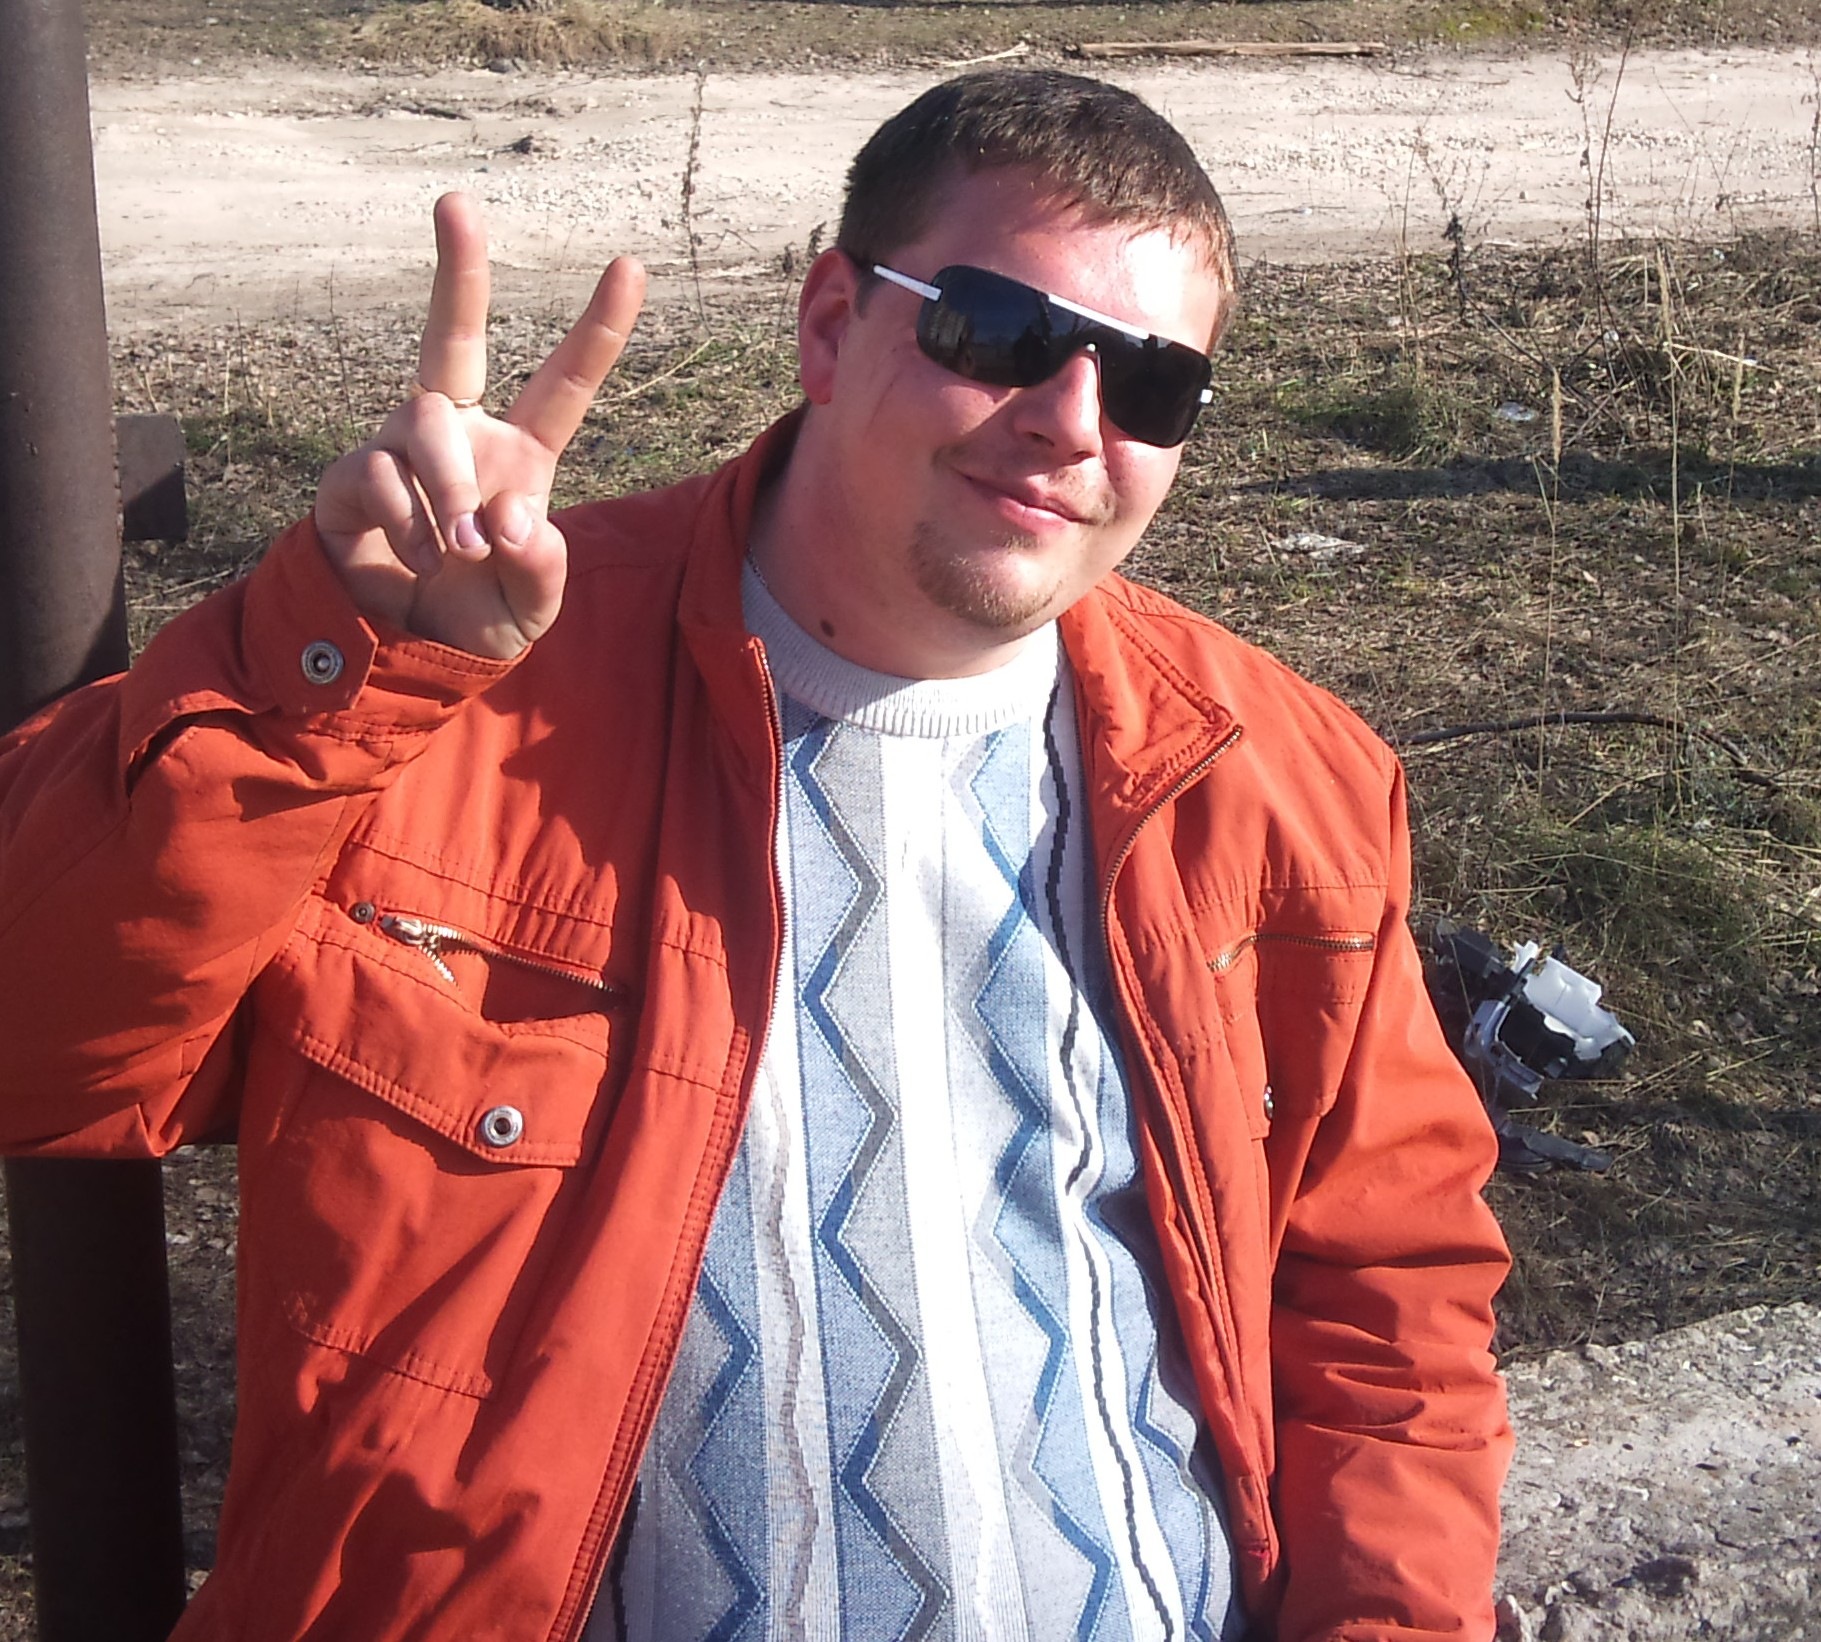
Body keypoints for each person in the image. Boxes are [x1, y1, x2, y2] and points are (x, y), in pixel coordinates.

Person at [0, 70, 1511, 1642]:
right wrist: (338, 668)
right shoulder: (458, 687)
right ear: (831, 323)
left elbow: (1388, 1302)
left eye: (1151, 384)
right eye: (1000, 331)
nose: (1072, 422)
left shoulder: (1283, 782)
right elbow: (38, 1049)